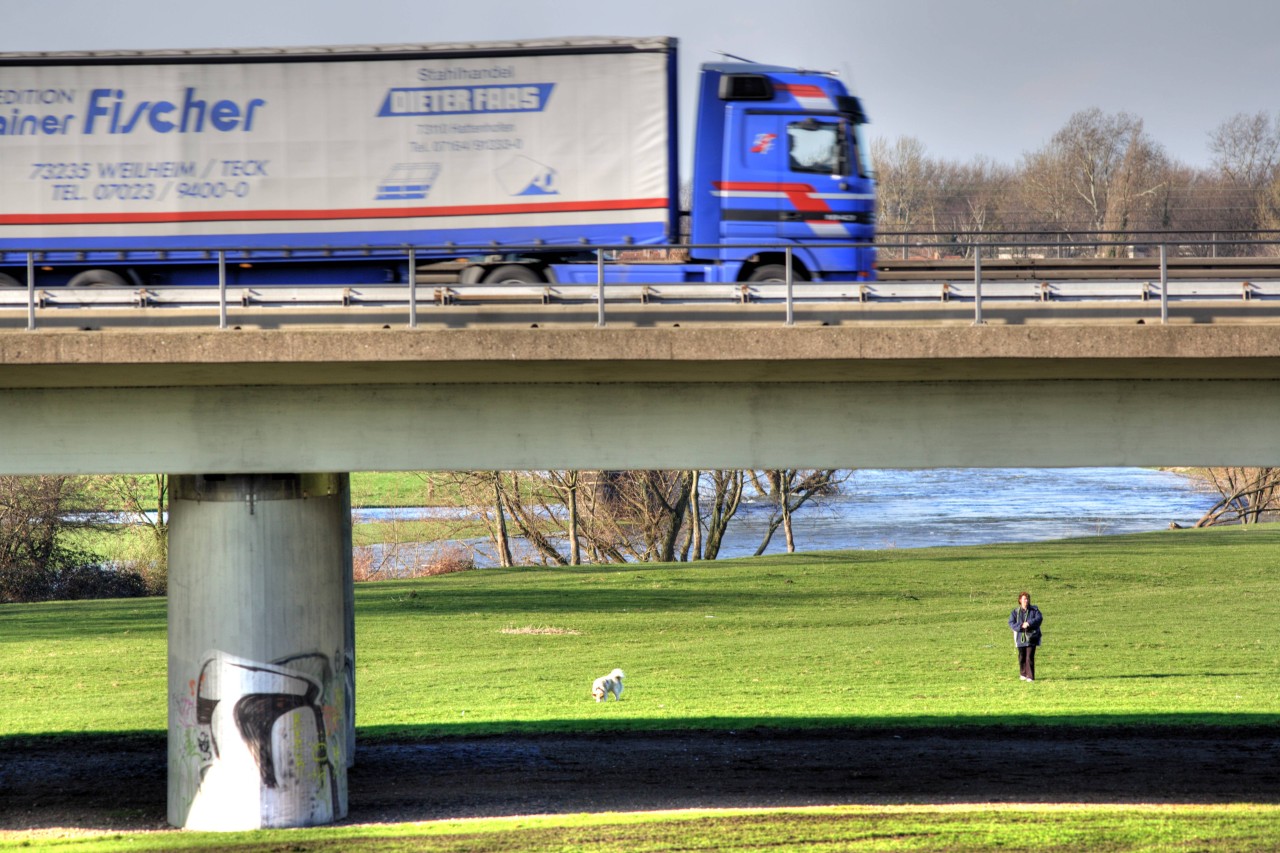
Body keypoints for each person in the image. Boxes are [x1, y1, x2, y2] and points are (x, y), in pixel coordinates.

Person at [1008, 591, 1043, 681]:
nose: (1026, 601)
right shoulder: (1015, 612)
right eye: (1024, 599)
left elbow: (1039, 619)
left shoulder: (1034, 610)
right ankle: (1023, 674)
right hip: (1020, 637)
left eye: (1027, 599)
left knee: (1029, 657)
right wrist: (1020, 626)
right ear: (1020, 600)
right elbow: (1011, 623)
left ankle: (1030, 676)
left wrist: (1029, 623)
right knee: (1021, 656)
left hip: (1032, 637)